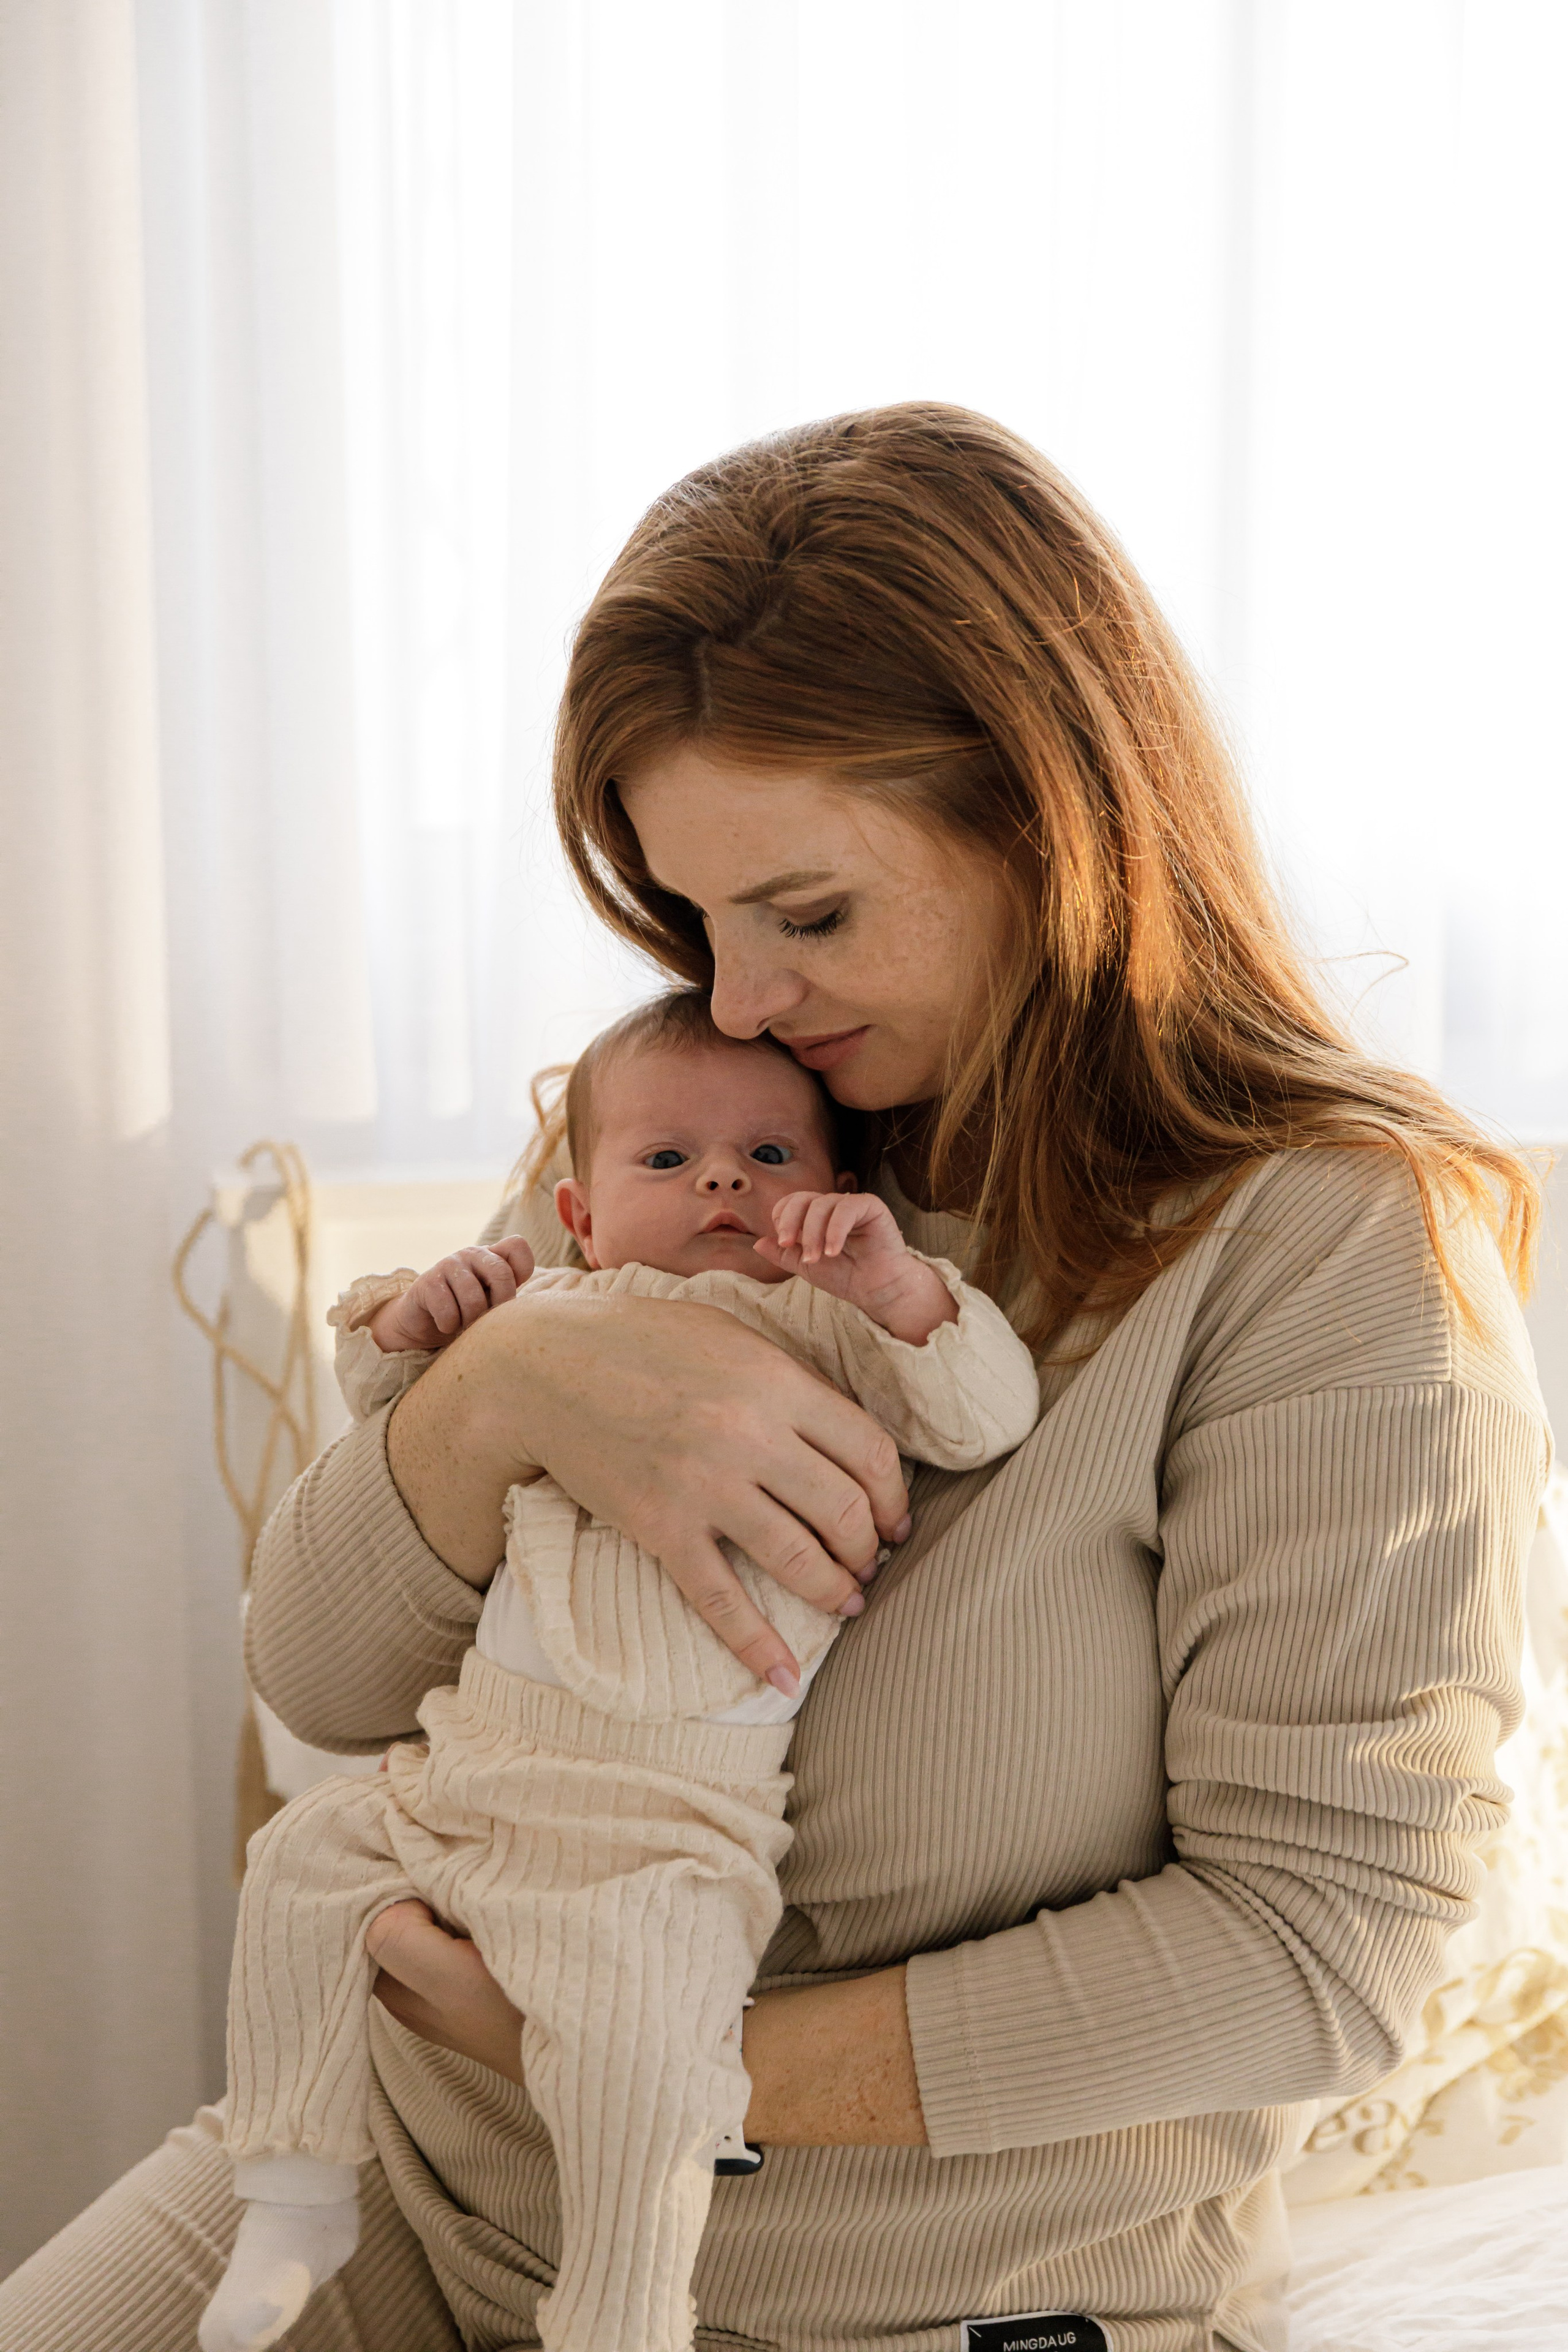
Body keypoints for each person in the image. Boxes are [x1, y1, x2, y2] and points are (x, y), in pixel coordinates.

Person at [0, 402, 1548, 2352]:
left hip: (902, 2306)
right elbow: (322, 1670)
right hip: (414, 2188)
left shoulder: (1325, 1248)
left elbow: (1326, 1954)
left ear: (1044, 818)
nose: (739, 1000)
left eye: (807, 915)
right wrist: (508, 1397)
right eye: (692, 917)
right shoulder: (718, 1128)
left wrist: (665, 2062)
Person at [198, 988, 1037, 2352]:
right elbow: (386, 1426)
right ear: (575, 1215)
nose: (720, 1180)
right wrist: (426, 1323)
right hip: (474, 1773)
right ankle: (293, 2196)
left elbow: (983, 1409)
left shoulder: (825, 1333)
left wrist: (889, 1284)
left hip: (670, 1825)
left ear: (832, 1191)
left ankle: (621, 2314)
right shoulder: (549, 1313)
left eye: (768, 1160)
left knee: (643, 2057)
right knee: (301, 1866)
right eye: (666, 1160)